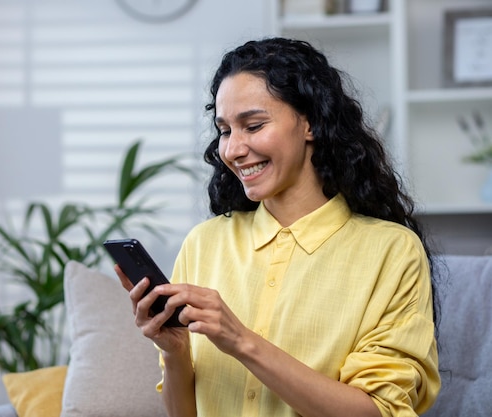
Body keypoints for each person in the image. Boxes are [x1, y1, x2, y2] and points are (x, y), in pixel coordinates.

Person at [114, 37, 441, 417]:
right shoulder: (204, 243)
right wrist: (176, 352)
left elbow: (377, 411)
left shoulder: (391, 251)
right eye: (225, 131)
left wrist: (240, 341)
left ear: (310, 123)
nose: (233, 149)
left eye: (253, 125)